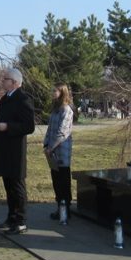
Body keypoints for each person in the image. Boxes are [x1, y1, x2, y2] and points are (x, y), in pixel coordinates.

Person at [0, 67, 35, 234]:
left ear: (14, 82)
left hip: (15, 150)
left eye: (5, 79)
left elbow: (29, 126)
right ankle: (11, 217)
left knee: (17, 185)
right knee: (8, 184)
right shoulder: (5, 99)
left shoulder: (23, 99)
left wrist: (8, 126)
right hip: (4, 147)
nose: (2, 81)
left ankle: (21, 221)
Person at [44, 83, 74, 219]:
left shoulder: (67, 110)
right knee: (56, 180)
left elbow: (62, 132)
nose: (52, 92)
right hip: (52, 152)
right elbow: (50, 129)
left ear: (62, 92)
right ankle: (59, 207)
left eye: (55, 91)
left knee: (63, 181)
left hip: (62, 151)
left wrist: (52, 146)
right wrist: (46, 145)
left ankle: (66, 208)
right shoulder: (55, 110)